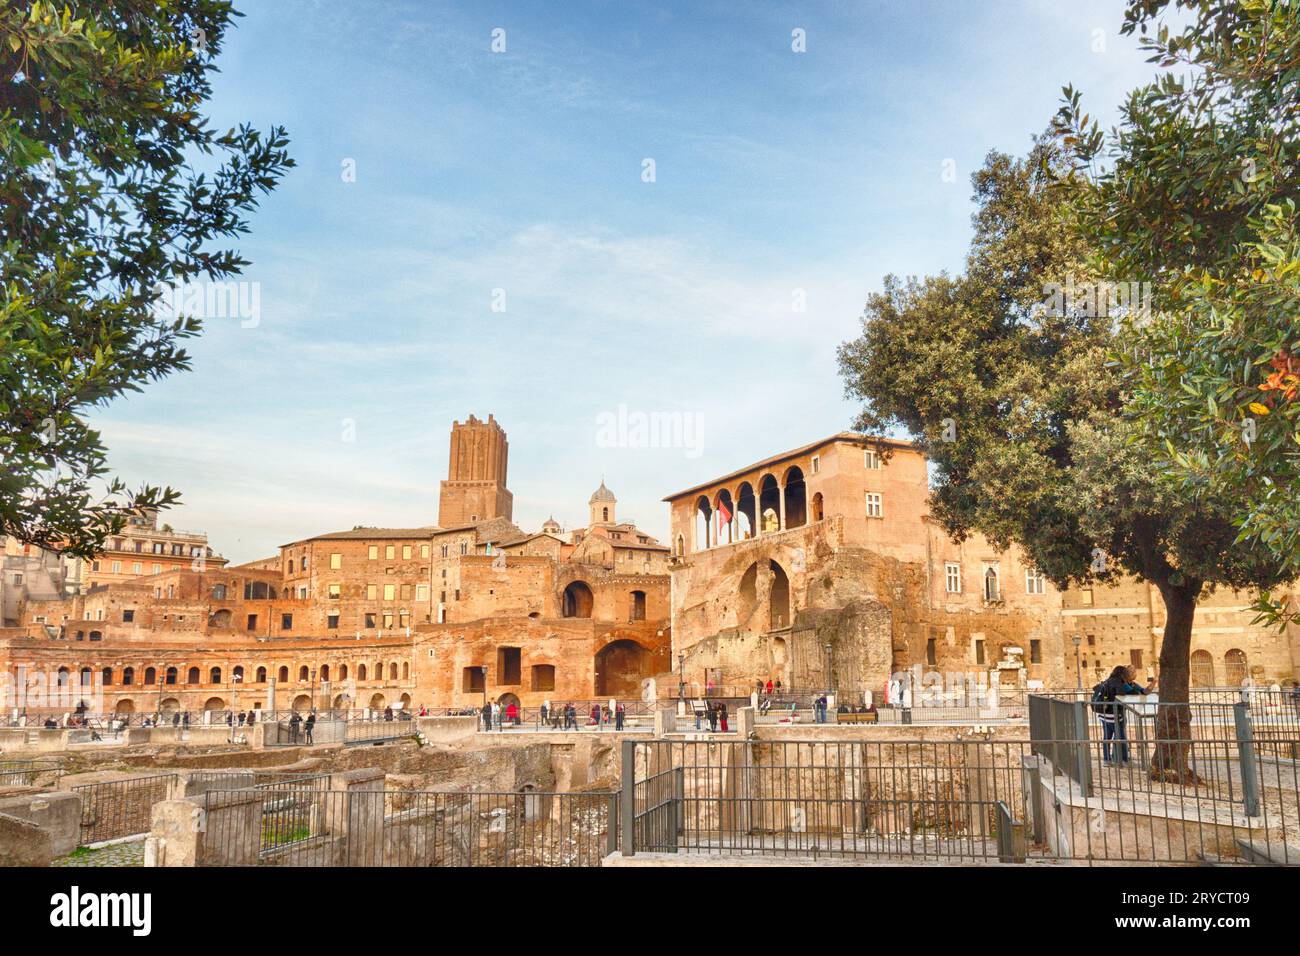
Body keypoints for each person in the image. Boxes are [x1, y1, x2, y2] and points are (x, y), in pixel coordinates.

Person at [1093, 665, 1150, 766]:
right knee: (1121, 737)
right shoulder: (1119, 682)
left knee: (1107, 737)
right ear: (1122, 674)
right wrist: (1132, 691)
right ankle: (1124, 761)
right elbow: (1123, 694)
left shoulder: (1108, 681)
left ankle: (1107, 760)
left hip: (1103, 713)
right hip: (1113, 715)